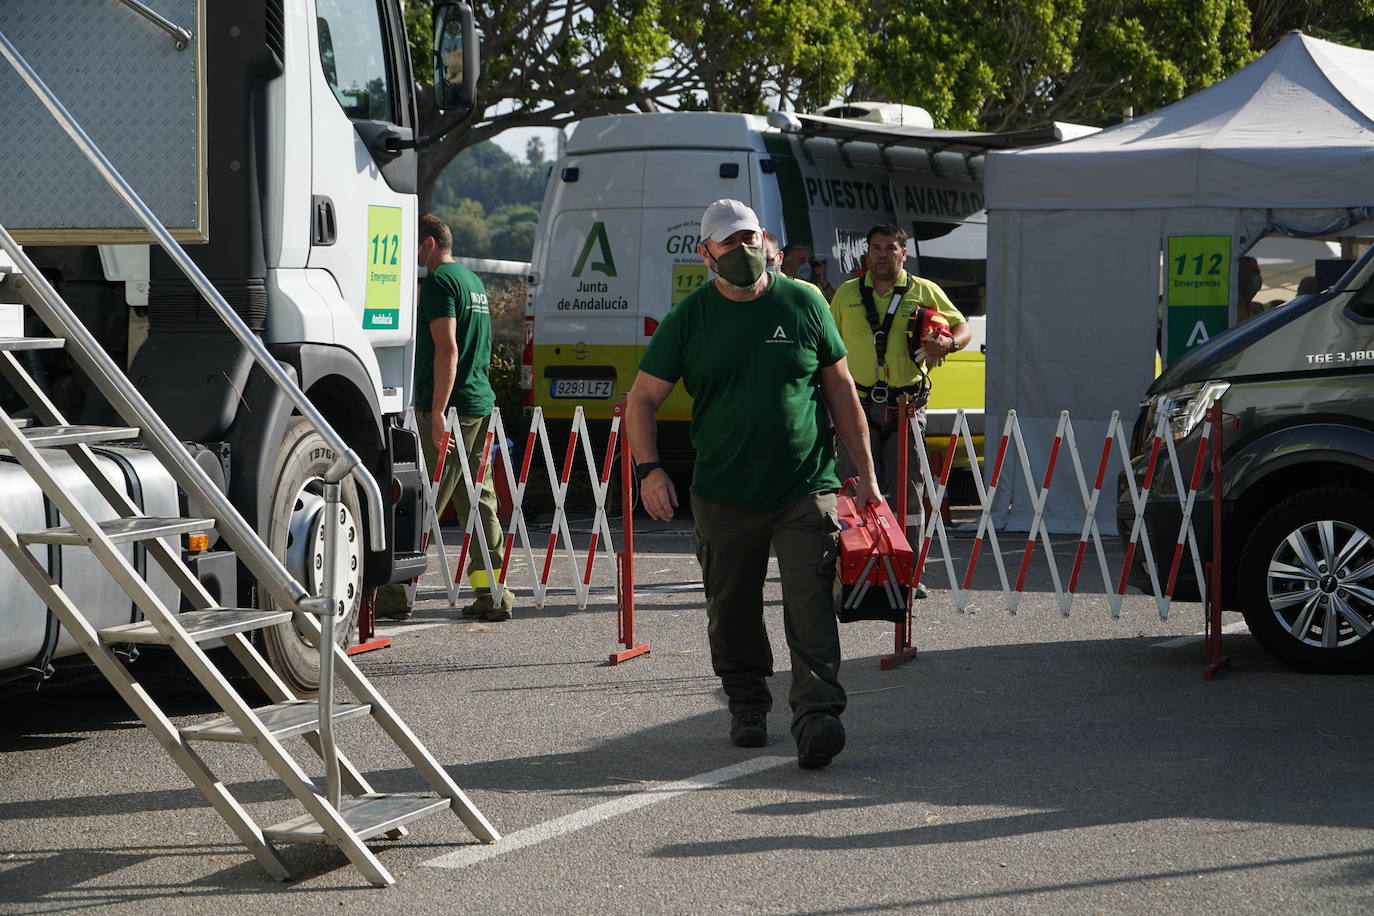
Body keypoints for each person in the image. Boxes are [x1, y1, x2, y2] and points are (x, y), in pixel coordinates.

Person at [627, 198, 881, 770]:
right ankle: (747, 704)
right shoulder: (689, 318)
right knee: (732, 609)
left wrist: (865, 474)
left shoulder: (804, 302)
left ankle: (819, 717)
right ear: (705, 254)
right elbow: (642, 399)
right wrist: (650, 469)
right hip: (723, 491)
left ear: (765, 239)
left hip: (803, 486)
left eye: (748, 239)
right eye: (728, 243)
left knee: (810, 605)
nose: (741, 251)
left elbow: (841, 391)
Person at [376, 213, 513, 622]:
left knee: (424, 500)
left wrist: (436, 411)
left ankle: (396, 594)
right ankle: (493, 595)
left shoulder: (437, 283)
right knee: (478, 498)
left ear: (429, 243)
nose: (412, 254)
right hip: (479, 403)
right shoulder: (472, 281)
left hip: (452, 408)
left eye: (415, 245)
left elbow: (447, 348)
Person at [828, 224, 971, 580]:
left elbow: (961, 328)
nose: (881, 254)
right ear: (866, 253)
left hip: (905, 406)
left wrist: (949, 344)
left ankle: (907, 573)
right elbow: (826, 347)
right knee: (851, 487)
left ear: (903, 253)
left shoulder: (923, 290)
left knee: (909, 494)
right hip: (856, 405)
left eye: (890, 247)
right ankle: (854, 570)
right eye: (875, 247)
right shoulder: (847, 294)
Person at [1237, 256, 1264, 322]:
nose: (1258, 277)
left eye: (1258, 273)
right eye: (1254, 272)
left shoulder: (1256, 310)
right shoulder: (1231, 311)